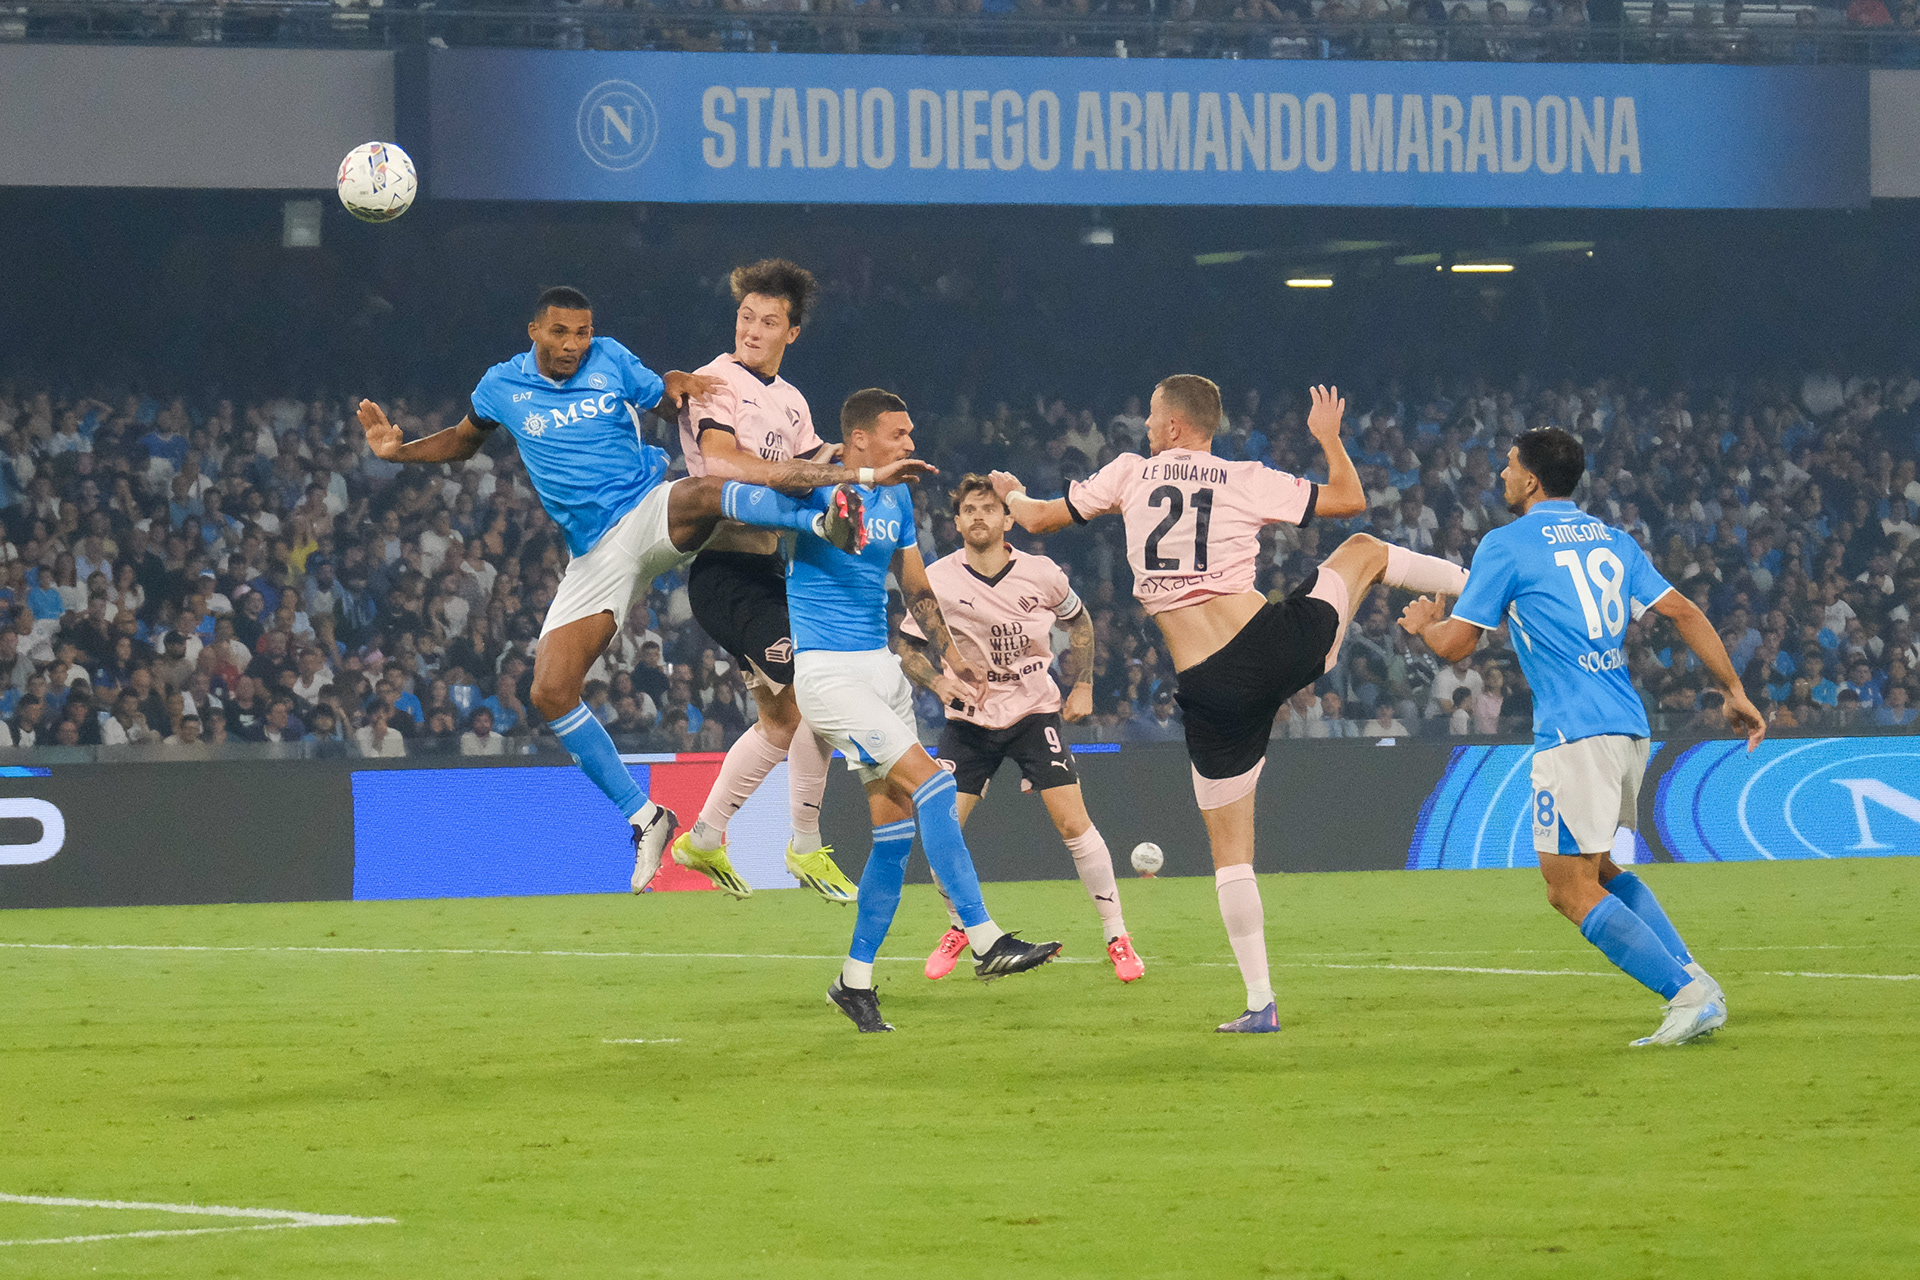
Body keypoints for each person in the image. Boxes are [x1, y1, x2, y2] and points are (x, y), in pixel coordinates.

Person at [357, 286, 912, 891]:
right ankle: (647, 817)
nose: (574, 344)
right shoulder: (500, 387)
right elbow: (466, 438)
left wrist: (676, 382)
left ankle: (820, 521)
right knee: (550, 690)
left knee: (702, 488)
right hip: (595, 553)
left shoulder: (612, 359)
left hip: (646, 507)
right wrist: (399, 451)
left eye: (583, 332)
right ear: (534, 331)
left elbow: (669, 398)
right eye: (561, 332)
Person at [991, 377, 1469, 1033]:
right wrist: (1329, 439)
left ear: (1177, 426)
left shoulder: (1129, 474)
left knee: (1232, 854)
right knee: (1365, 553)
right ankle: (1482, 597)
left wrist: (1008, 490)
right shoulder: (1241, 477)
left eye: (1154, 415)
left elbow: (1038, 517)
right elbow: (1351, 500)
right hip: (1272, 647)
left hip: (1209, 691)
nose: (1146, 424)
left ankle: (1259, 1002)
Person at [1399, 426, 1764, 1048]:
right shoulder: (1615, 541)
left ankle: (1686, 995)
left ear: (1533, 480)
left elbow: (1459, 646)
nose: (1502, 476)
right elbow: (1685, 611)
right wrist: (1733, 689)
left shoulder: (1507, 545)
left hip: (1573, 734)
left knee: (1566, 889)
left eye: (1510, 467)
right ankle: (1694, 976)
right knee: (1599, 867)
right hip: (1628, 727)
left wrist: (1424, 628)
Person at [721, 388, 1064, 1033]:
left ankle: (853, 982)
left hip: (881, 672)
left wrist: (952, 658)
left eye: (910, 433)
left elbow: (914, 583)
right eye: (899, 434)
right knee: (935, 784)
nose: (911, 443)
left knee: (893, 836)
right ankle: (985, 939)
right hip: (827, 674)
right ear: (860, 441)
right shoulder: (817, 487)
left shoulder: (899, 498)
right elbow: (744, 492)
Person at [897, 474, 1145, 984]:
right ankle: (963, 926)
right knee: (940, 828)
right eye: (969, 510)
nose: (979, 517)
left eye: (989, 508)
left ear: (1008, 518)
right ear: (957, 521)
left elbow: (1079, 622)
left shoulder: (1041, 572)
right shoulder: (938, 579)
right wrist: (939, 685)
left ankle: (1118, 936)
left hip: (1034, 710)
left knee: (1074, 825)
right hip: (968, 718)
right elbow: (907, 648)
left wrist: (1083, 687)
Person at [668, 259, 858, 904]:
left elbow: (809, 461)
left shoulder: (792, 400)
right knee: (814, 697)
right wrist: (819, 477)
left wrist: (852, 461)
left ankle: (705, 837)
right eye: (747, 316)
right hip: (724, 570)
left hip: (769, 572)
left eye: (769, 320)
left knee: (781, 721)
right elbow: (721, 461)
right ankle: (804, 845)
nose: (752, 329)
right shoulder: (717, 382)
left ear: (792, 332)